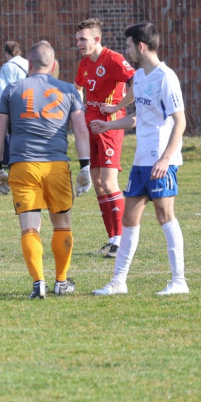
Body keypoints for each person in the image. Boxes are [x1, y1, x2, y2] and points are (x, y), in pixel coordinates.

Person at [91, 22, 188, 296]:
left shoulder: (166, 78)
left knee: (164, 215)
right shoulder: (141, 76)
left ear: (141, 46)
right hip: (141, 161)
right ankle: (118, 282)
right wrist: (110, 121)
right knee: (129, 218)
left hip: (161, 161)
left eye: (128, 46)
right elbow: (138, 116)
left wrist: (166, 159)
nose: (126, 50)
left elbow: (180, 122)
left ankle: (179, 280)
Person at [0, 41, 92, 298]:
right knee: (62, 224)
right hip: (57, 166)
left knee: (29, 227)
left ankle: (38, 283)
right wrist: (85, 167)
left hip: (22, 164)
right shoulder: (69, 90)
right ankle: (61, 281)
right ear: (54, 65)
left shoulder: (13, 89)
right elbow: (81, 131)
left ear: (29, 64)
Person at [75, 17, 136, 258]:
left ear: (97, 39)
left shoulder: (113, 59)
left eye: (83, 39)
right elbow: (77, 88)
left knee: (109, 183)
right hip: (90, 126)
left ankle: (121, 240)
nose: (79, 43)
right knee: (98, 184)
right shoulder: (84, 63)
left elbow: (135, 83)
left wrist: (116, 107)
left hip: (109, 126)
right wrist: (78, 112)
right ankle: (112, 239)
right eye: (77, 40)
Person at [0, 41, 29, 171]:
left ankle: (10, 159)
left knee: (10, 132)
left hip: (13, 104)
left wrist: (3, 106)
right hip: (28, 102)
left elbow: (3, 89)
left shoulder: (7, 67)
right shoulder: (27, 63)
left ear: (7, 53)